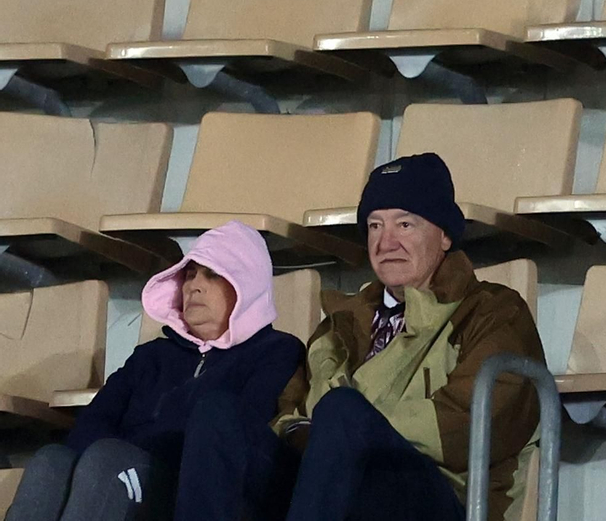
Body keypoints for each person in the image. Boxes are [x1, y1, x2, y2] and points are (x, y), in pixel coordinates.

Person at [271, 152, 545, 521]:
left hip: (444, 497)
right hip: (336, 484)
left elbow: (469, 426)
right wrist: (323, 436)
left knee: (342, 410)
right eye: (374, 226)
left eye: (404, 225)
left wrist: (348, 427)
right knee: (218, 420)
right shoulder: (340, 323)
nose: (386, 243)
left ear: (445, 235)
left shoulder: (493, 312)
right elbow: (291, 415)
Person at [5, 221, 303, 521]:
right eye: (189, 274)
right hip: (120, 468)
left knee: (108, 463)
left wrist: (127, 455)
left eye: (212, 274)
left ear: (246, 283)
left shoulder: (276, 351)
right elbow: (93, 421)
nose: (193, 286)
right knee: (50, 460)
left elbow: (237, 439)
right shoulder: (151, 355)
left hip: (192, 488)